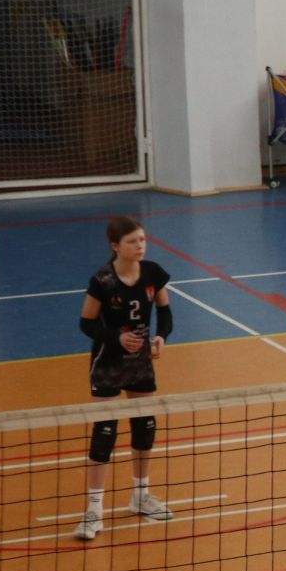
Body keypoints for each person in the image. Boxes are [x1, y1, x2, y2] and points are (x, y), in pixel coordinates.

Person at [74, 216, 175, 541]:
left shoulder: (153, 273)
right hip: (108, 363)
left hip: (140, 363)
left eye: (142, 240)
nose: (140, 246)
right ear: (116, 246)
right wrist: (116, 338)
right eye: (133, 241)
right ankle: (94, 510)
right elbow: (87, 323)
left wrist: (161, 337)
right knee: (105, 432)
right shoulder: (103, 280)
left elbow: (165, 312)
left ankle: (140, 496)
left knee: (145, 426)